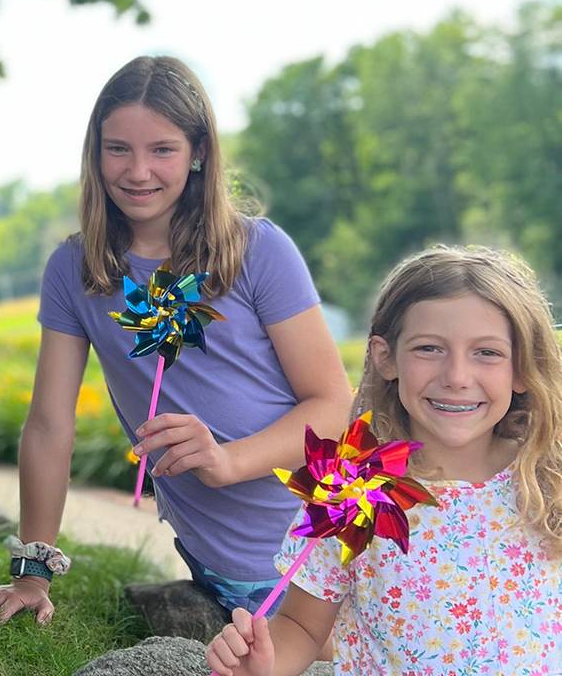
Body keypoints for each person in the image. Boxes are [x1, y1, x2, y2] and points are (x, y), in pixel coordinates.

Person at [0, 56, 351, 623]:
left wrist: (228, 460)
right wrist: (32, 571)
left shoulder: (258, 251)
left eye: (162, 150)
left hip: (318, 556)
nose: (138, 170)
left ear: (198, 152)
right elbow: (50, 423)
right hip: (219, 568)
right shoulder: (75, 269)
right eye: (118, 148)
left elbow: (335, 405)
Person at [206, 245, 562, 675]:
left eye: (487, 353)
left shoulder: (550, 480)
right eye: (429, 348)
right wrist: (264, 663)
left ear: (522, 367)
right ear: (385, 356)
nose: (457, 378)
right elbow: (302, 624)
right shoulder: (349, 490)